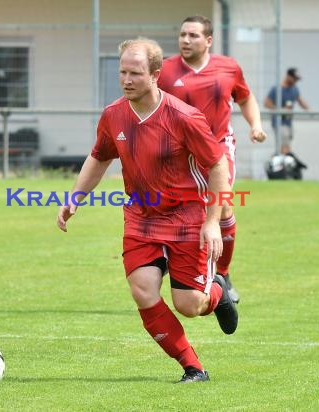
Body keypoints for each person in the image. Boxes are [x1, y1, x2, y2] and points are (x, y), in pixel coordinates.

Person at [57, 38, 238, 383]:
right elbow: (99, 157)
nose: (126, 80)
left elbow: (217, 167)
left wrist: (213, 223)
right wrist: (75, 197)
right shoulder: (113, 115)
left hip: (188, 216)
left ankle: (217, 292)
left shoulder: (184, 117)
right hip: (141, 217)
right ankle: (193, 367)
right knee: (142, 290)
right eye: (122, 72)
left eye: (135, 73)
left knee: (189, 305)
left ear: (156, 75)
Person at [157, 15, 267, 304]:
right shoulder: (165, 70)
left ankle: (224, 274)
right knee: (171, 205)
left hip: (218, 148)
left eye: (193, 35)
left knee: (224, 207)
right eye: (182, 34)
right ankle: (171, 256)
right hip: (177, 152)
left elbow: (245, 97)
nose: (185, 40)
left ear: (208, 41)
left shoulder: (228, 67)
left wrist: (255, 125)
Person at [264, 67, 310, 154]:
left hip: (289, 123)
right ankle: (282, 164)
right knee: (284, 146)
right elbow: (266, 103)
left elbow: (300, 101)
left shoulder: (294, 89)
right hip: (279, 123)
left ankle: (280, 161)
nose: (296, 81)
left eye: (297, 79)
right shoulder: (276, 89)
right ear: (288, 76)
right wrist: (281, 110)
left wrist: (310, 110)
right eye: (294, 78)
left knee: (287, 145)